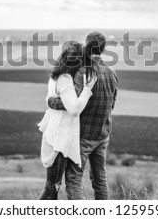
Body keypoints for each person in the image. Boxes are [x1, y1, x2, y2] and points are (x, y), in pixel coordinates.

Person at [47, 32, 118, 200]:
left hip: (83, 135)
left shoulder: (82, 73)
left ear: (86, 46)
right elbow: (112, 104)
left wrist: (52, 102)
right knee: (100, 179)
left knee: (73, 180)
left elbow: (72, 104)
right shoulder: (112, 72)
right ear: (104, 49)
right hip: (103, 134)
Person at [38, 40, 97, 200]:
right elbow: (74, 109)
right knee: (52, 187)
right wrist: (87, 89)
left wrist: (56, 103)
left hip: (54, 133)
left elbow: (50, 99)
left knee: (52, 186)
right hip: (59, 138)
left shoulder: (55, 75)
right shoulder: (65, 79)